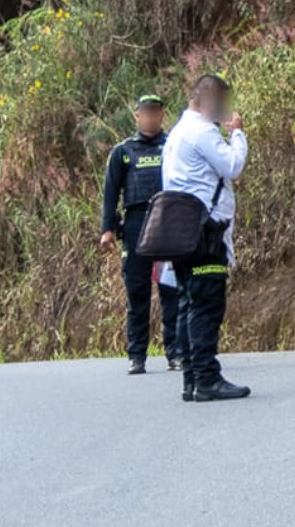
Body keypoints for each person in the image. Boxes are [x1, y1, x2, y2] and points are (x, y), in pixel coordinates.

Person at [162, 75, 250, 402]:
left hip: (183, 234)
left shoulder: (176, 134)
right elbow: (233, 165)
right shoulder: (200, 131)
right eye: (222, 102)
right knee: (206, 303)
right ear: (208, 98)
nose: (225, 109)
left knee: (188, 302)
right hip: (204, 236)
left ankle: (192, 379)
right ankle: (207, 378)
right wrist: (237, 133)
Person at [100, 94, 180, 375]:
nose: (150, 116)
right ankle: (137, 356)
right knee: (137, 292)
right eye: (145, 112)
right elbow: (110, 192)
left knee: (171, 288)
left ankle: (175, 352)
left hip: (168, 223)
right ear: (136, 116)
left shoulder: (172, 145)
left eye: (155, 112)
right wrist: (107, 229)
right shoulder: (123, 151)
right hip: (135, 224)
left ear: (161, 115)